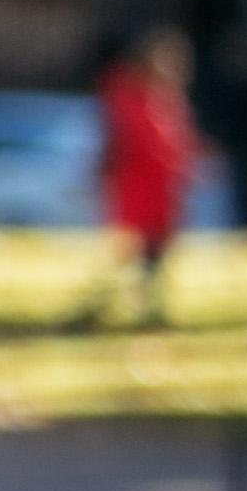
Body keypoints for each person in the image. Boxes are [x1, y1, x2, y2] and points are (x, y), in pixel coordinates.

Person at [98, 19, 203, 323]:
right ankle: (126, 304)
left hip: (162, 187)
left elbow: (179, 138)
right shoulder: (130, 92)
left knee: (155, 253)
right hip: (141, 182)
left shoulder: (166, 95)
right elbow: (142, 138)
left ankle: (146, 305)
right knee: (138, 250)